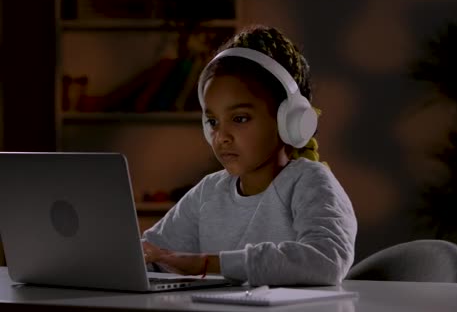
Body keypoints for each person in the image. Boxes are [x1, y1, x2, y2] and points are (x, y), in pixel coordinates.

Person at [142, 25, 357, 286]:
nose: (221, 136)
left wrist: (207, 264)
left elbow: (326, 261)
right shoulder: (209, 191)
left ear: (289, 120)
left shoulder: (310, 182)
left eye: (240, 118)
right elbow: (152, 253)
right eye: (212, 121)